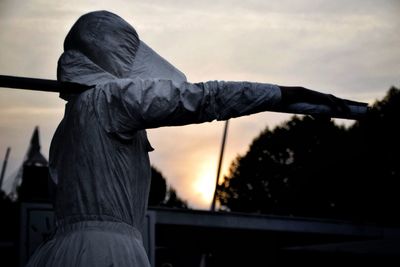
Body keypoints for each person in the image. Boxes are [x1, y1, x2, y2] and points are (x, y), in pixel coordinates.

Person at [26, 10, 353, 266]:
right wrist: (284, 95)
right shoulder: (113, 99)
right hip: (108, 254)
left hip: (61, 252)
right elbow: (207, 98)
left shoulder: (69, 124)